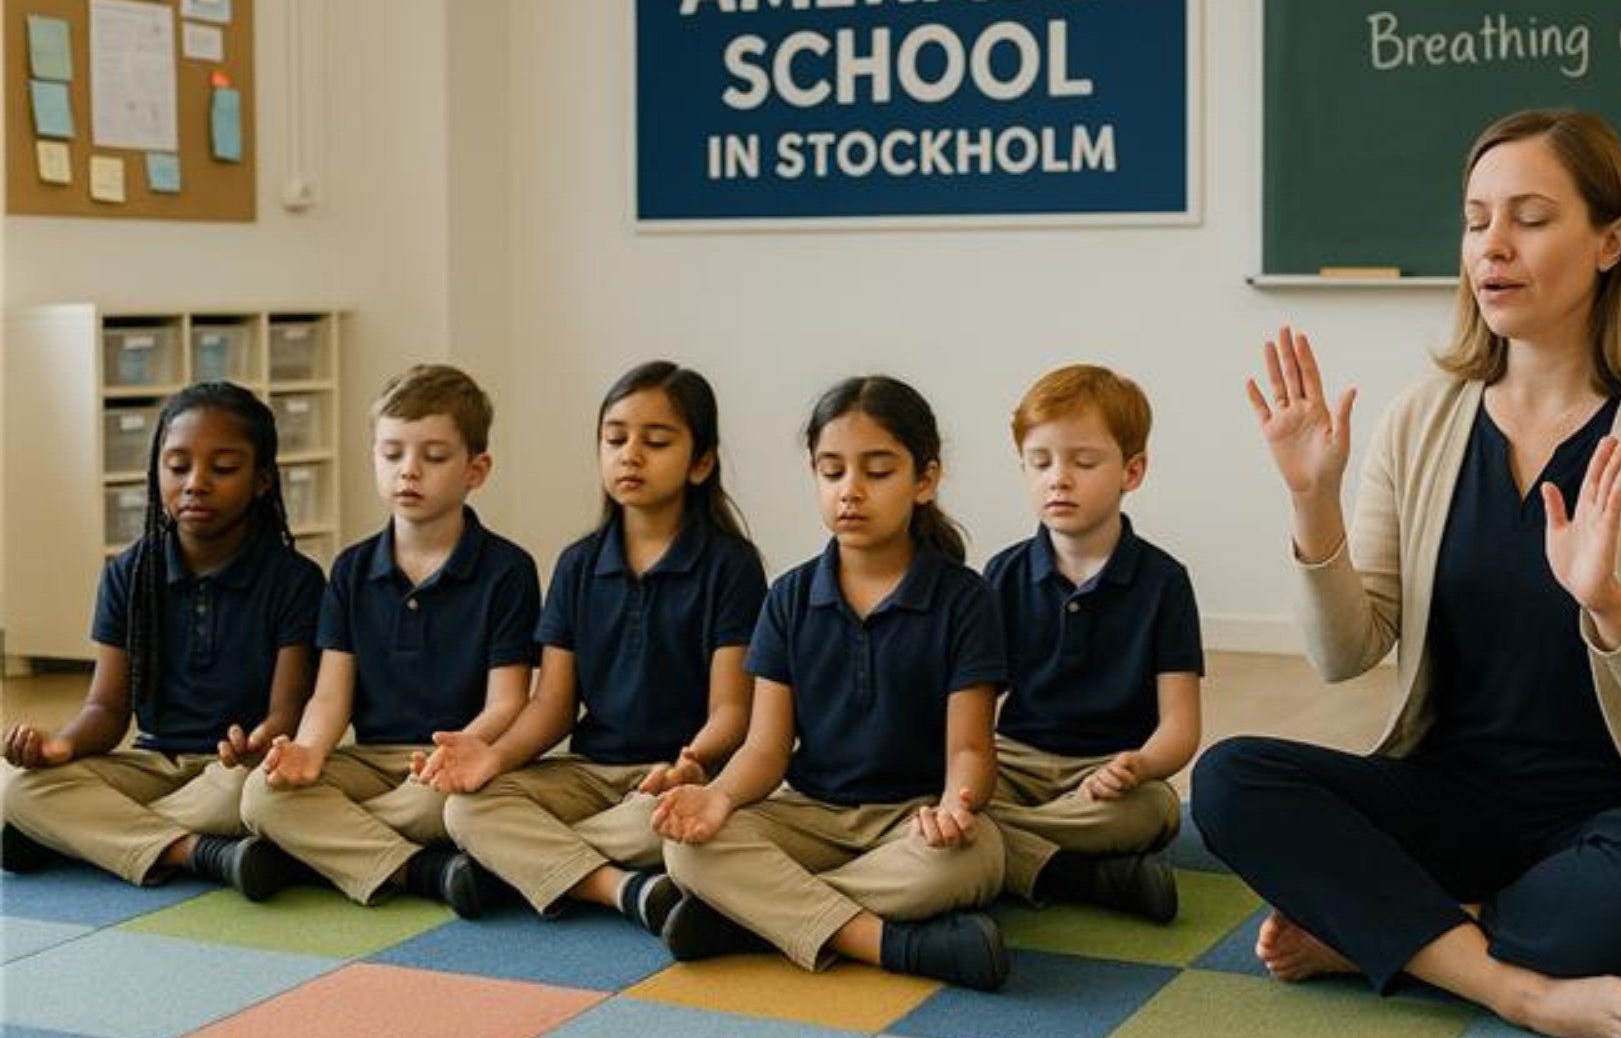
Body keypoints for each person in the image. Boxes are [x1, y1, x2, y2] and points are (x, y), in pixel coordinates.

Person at [1192, 109, 1621, 1038]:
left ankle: (1396, 933)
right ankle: (1513, 984)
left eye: (1530, 218)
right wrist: (1314, 505)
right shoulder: (1422, 418)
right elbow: (1344, 654)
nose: (1493, 246)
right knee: (1231, 778)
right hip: (1453, 806)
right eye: (1476, 220)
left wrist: (1611, 606)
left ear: (1610, 242)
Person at [655, 375, 1011, 991]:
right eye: (832, 471)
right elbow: (766, 750)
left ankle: (749, 918)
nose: (851, 489)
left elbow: (970, 749)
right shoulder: (788, 597)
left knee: (977, 859)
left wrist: (956, 806)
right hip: (809, 815)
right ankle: (890, 943)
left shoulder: (966, 599)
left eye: (878, 471)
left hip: (911, 819)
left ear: (924, 480)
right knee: (685, 849)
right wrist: (719, 797)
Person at [424, 362, 766, 932]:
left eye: (656, 442)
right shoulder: (578, 564)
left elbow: (733, 710)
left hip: (674, 778)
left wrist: (692, 763)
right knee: (467, 809)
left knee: (667, 824)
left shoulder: (731, 566)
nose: (631, 455)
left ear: (701, 463)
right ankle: (622, 889)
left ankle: (519, 867)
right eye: (615, 439)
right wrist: (494, 756)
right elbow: (552, 704)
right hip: (586, 773)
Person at [2, 383, 323, 899]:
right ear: (157, 472)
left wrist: (262, 741)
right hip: (153, 764)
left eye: (223, 468)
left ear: (262, 480)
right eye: (177, 466)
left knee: (262, 796)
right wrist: (62, 745)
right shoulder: (128, 575)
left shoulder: (296, 581)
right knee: (15, 787)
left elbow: (288, 712)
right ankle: (198, 853)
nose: (196, 483)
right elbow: (107, 709)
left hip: (233, 773)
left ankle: (77, 838)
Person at [240, 364, 540, 913]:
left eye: (434, 456)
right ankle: (422, 870)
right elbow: (330, 696)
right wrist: (308, 750)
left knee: (446, 808)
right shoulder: (350, 570)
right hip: (368, 761)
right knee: (262, 795)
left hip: (450, 767)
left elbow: (508, 702)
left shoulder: (508, 571)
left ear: (476, 470)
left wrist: (457, 754)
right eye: (392, 453)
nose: (409, 471)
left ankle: (320, 852)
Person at [981, 365, 1202, 922]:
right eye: (1040, 463)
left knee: (1157, 810)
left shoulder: (1164, 582)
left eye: (1082, 462)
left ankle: (1003, 846)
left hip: (1107, 772)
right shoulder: (1002, 575)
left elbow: (1180, 726)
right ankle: (1075, 871)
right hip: (1013, 763)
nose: (1059, 479)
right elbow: (973, 707)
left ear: (1133, 471)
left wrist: (1140, 764)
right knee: (938, 793)